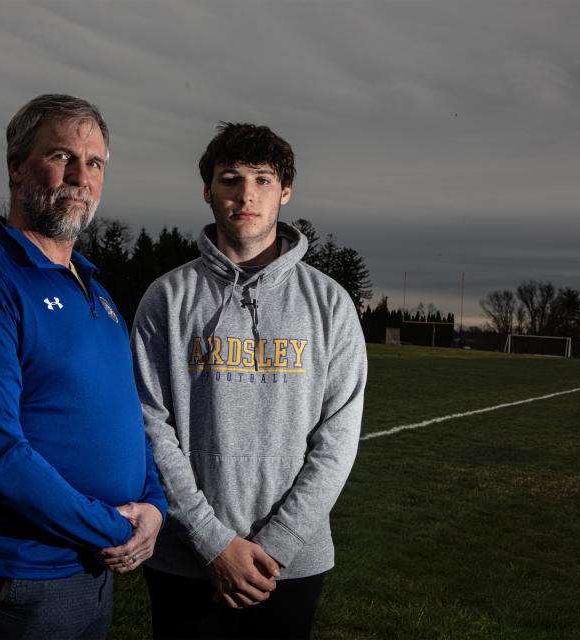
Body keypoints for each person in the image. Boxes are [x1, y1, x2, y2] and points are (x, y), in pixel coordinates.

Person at [0, 94, 166, 640]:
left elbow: (125, 415)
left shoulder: (96, 290)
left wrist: (154, 505)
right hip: (19, 577)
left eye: (95, 163)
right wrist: (114, 528)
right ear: (15, 166)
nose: (80, 176)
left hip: (91, 568)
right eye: (62, 156)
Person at [131, 122, 368, 639]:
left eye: (262, 180)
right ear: (208, 191)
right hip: (185, 559)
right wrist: (211, 542)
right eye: (230, 179)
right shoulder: (166, 299)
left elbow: (339, 439)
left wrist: (277, 546)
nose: (246, 195)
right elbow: (149, 425)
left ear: (285, 191)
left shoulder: (330, 304)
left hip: (290, 563)